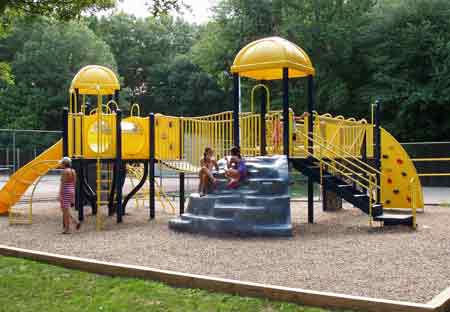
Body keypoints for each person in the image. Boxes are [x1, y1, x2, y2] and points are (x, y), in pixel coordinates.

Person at [59, 157, 80, 234]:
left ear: (64, 164)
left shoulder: (64, 172)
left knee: (65, 211)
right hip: (71, 190)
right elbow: (74, 182)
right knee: (66, 210)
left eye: (61, 163)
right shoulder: (73, 171)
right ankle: (74, 223)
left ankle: (68, 228)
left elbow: (63, 183)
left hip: (65, 191)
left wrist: (60, 194)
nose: (60, 164)